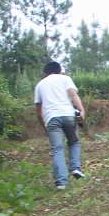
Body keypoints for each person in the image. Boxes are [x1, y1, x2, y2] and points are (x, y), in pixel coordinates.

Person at [33, 61, 87, 189]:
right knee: (74, 142)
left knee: (57, 149)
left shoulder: (39, 85)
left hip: (51, 118)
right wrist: (82, 110)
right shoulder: (65, 78)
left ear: (45, 73)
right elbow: (73, 95)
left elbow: (38, 111)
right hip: (68, 115)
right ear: (59, 70)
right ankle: (75, 168)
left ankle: (61, 182)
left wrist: (44, 126)